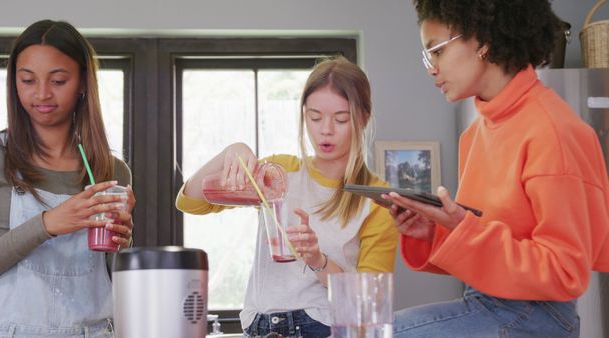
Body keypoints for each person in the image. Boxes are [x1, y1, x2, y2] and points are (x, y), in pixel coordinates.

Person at [380, 1, 609, 337]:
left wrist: (463, 229)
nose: (431, 68)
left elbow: (565, 271)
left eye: (437, 52)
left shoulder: (553, 130)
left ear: (482, 40)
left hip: (537, 315)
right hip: (485, 301)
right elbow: (486, 245)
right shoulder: (475, 134)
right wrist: (432, 231)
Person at [176, 56, 398, 337]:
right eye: (315, 117)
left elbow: (369, 307)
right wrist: (231, 152)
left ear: (363, 118)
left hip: (321, 328)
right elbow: (191, 202)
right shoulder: (278, 172)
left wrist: (318, 260)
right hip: (259, 329)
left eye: (341, 119)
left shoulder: (376, 202)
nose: (325, 130)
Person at [0, 20, 135, 338]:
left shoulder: (112, 172)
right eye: (28, 80)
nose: (42, 93)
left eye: (58, 80)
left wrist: (123, 243)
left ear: (83, 82)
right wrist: (47, 224)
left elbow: (117, 283)